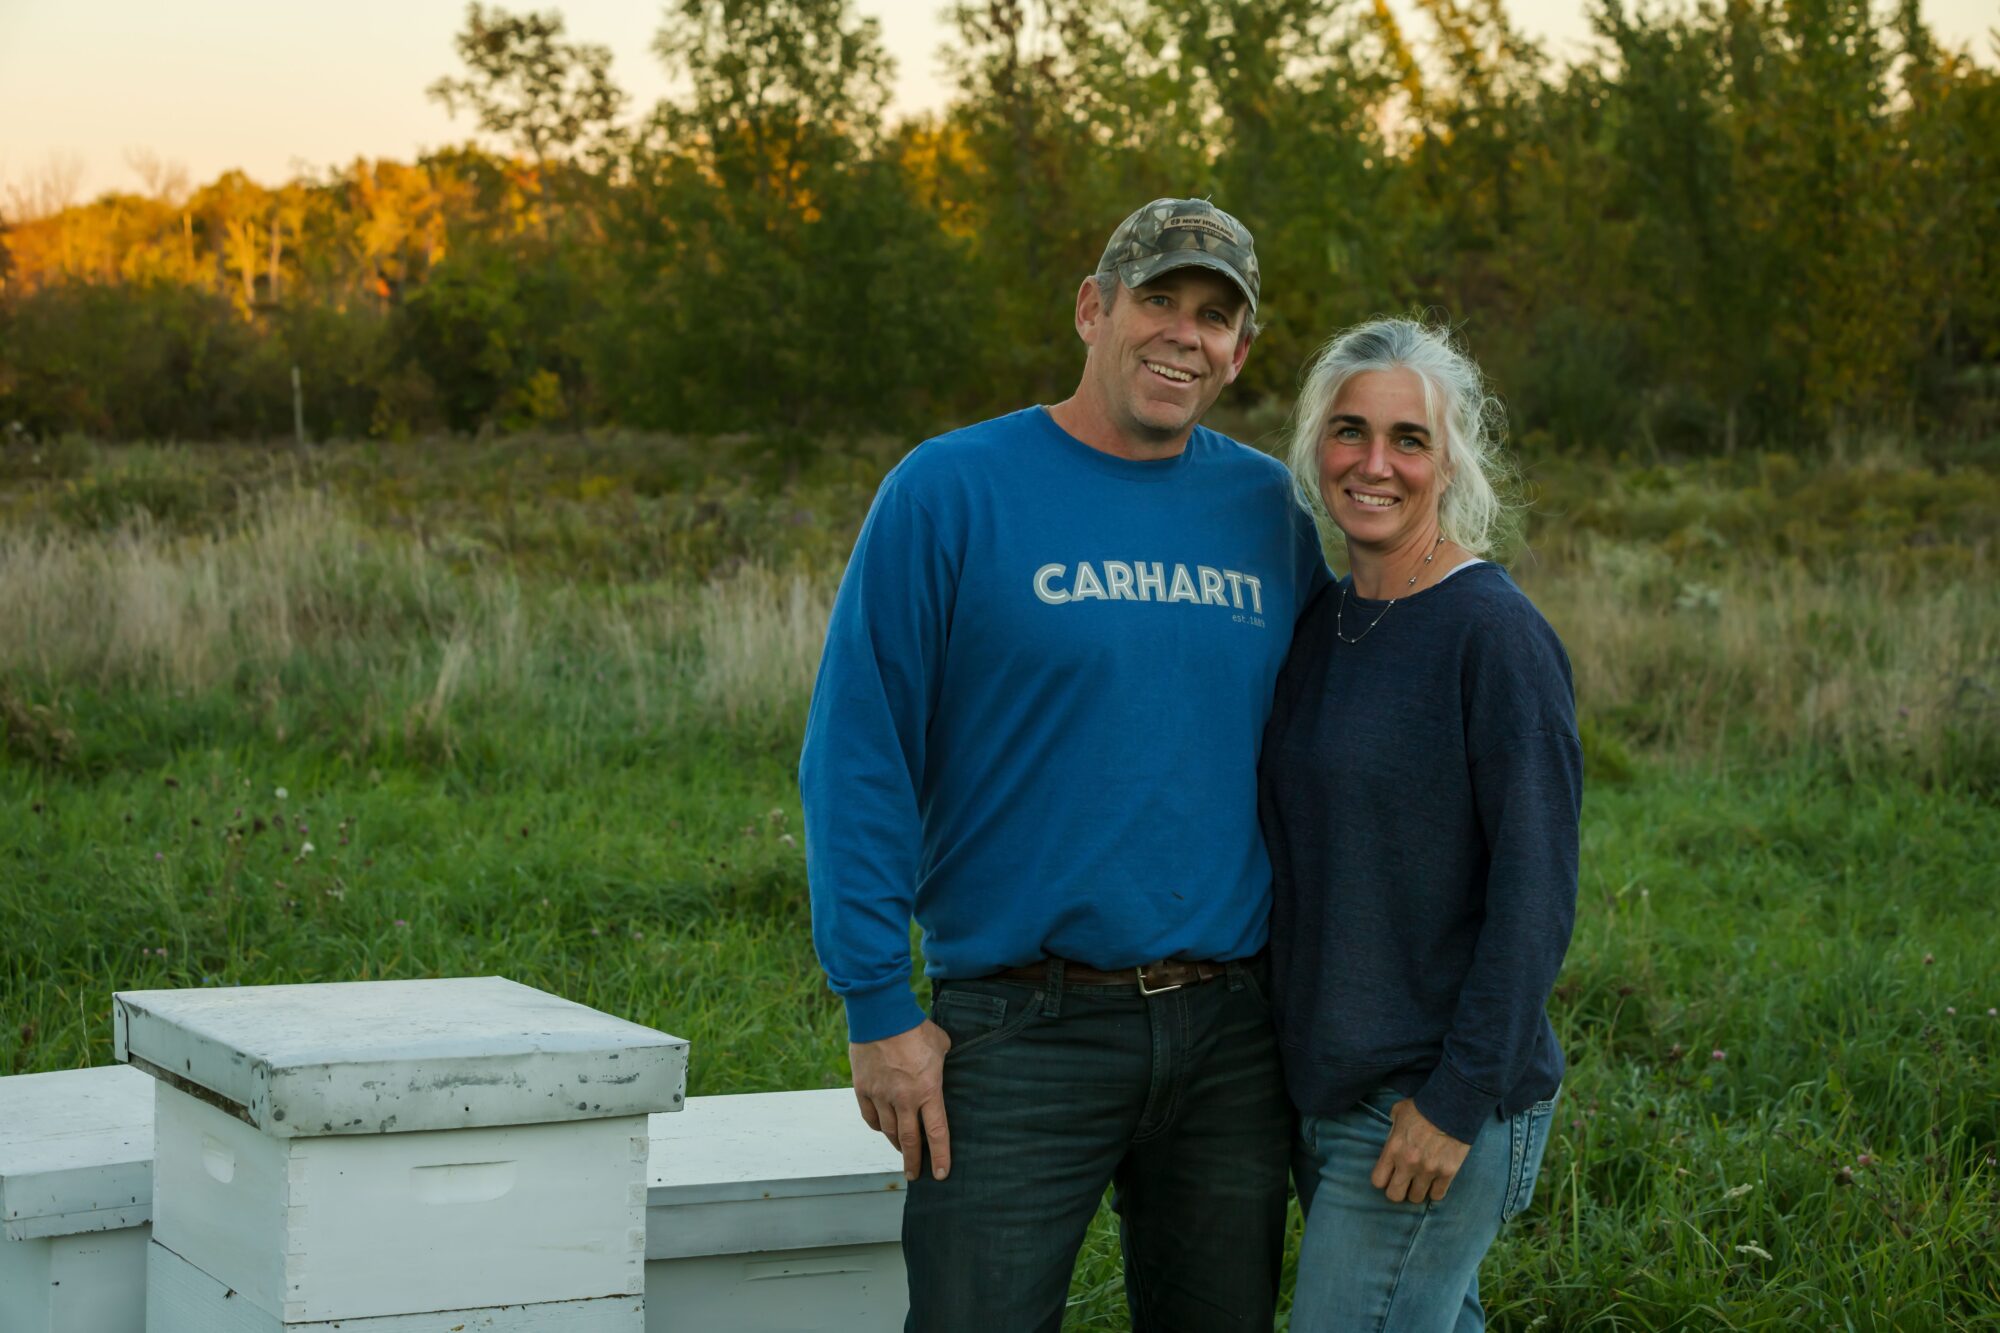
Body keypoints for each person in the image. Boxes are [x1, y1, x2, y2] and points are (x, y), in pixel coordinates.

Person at [799, 198, 1327, 1331]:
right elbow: (858, 751)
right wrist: (875, 1002)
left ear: (1239, 351)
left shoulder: (1268, 511)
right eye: (1157, 301)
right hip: (1016, 1030)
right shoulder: (949, 490)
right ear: (1092, 309)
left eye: (1214, 316)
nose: (1183, 335)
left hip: (1231, 1031)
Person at [1258, 317, 1583, 1331]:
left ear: (1450, 460)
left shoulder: (1491, 634)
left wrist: (1451, 1102)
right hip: (1323, 1083)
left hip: (1425, 1101)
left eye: (1408, 439)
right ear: (1316, 447)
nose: (1374, 463)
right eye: (1348, 430)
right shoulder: (1321, 620)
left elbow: (1532, 899)